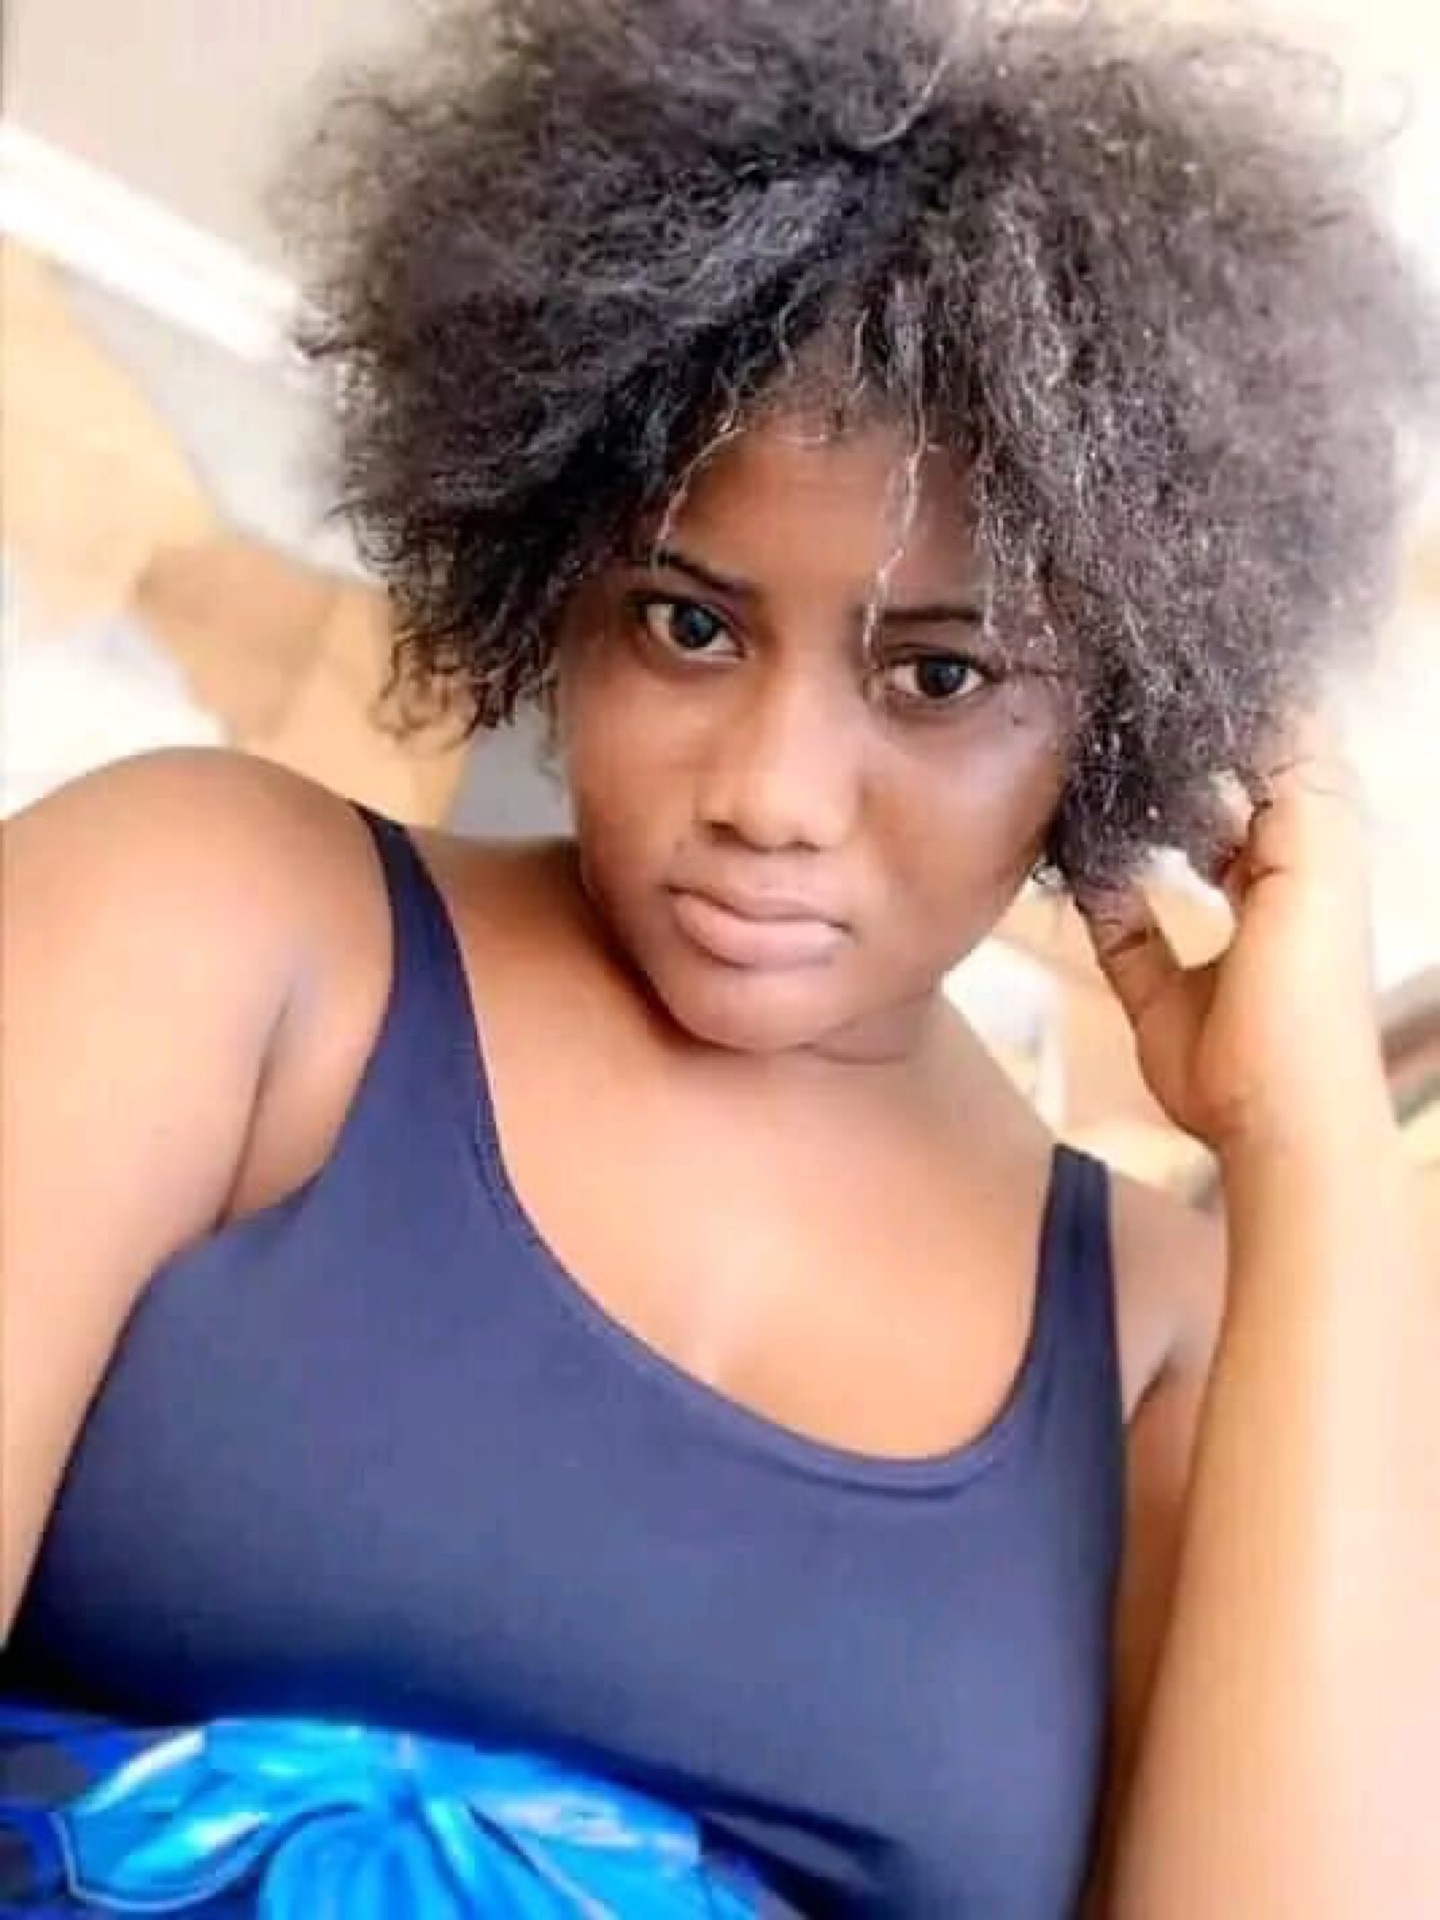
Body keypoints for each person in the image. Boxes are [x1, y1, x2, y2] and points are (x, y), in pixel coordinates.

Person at [2, 1, 1437, 1913]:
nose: (771, 794)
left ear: (1118, 716)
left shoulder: (1169, 1344)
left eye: (941, 676)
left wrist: (1314, 1143)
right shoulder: (205, 924)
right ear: (553, 575)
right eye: (687, 625)